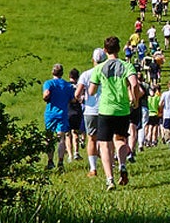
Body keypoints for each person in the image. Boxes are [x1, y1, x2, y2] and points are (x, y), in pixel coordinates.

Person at [89, 37, 141, 188]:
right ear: (119, 49)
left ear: (105, 50)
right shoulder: (127, 66)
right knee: (120, 140)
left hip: (105, 109)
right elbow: (135, 83)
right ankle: (122, 165)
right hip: (122, 109)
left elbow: (91, 91)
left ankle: (109, 179)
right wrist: (135, 99)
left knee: (105, 144)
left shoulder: (99, 68)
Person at [77, 46, 107, 177]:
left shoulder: (86, 74)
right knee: (106, 139)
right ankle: (109, 165)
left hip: (90, 110)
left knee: (92, 139)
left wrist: (81, 99)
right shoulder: (106, 73)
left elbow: (77, 93)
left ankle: (93, 168)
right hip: (106, 108)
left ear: (93, 60)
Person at [41, 63, 77, 169]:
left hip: (50, 113)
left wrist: (47, 97)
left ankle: (50, 161)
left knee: (49, 138)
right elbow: (73, 99)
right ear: (62, 73)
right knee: (61, 138)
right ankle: (60, 162)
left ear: (53, 72)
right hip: (63, 113)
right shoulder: (67, 85)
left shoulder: (49, 83)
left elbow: (46, 94)